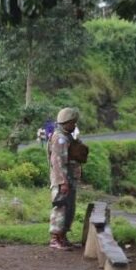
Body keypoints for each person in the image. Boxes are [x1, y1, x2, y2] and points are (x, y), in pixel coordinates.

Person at [48, 107, 80, 250]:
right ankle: (55, 238)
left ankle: (63, 236)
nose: (74, 126)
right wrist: (62, 182)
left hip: (69, 178)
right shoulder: (60, 139)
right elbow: (57, 162)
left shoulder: (67, 136)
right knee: (60, 208)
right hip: (63, 180)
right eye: (73, 123)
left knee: (69, 208)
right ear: (66, 122)